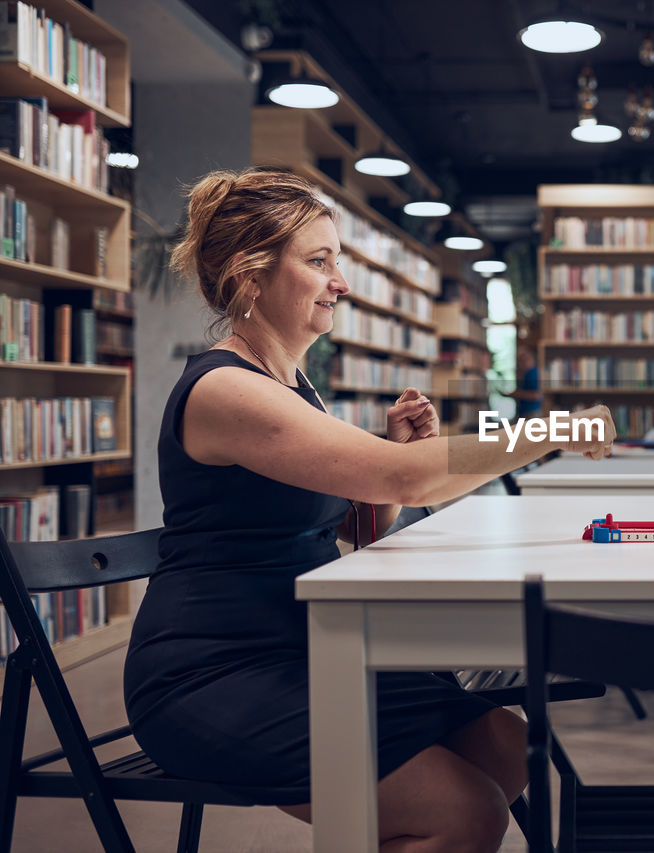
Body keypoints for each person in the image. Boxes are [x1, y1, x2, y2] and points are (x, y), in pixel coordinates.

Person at [123, 167, 614, 853]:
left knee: (506, 742)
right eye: (319, 261)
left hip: (305, 650)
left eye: (338, 262)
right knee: (469, 811)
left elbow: (351, 523)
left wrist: (389, 467)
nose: (341, 283)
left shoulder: (292, 387)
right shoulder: (224, 388)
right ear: (249, 274)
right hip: (213, 674)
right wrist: (551, 429)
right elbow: (404, 482)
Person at [502, 346, 542, 417]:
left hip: (530, 413)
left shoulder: (532, 373)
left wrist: (515, 394)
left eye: (521, 361)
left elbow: (536, 395)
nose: (519, 365)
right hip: (528, 412)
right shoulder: (528, 373)